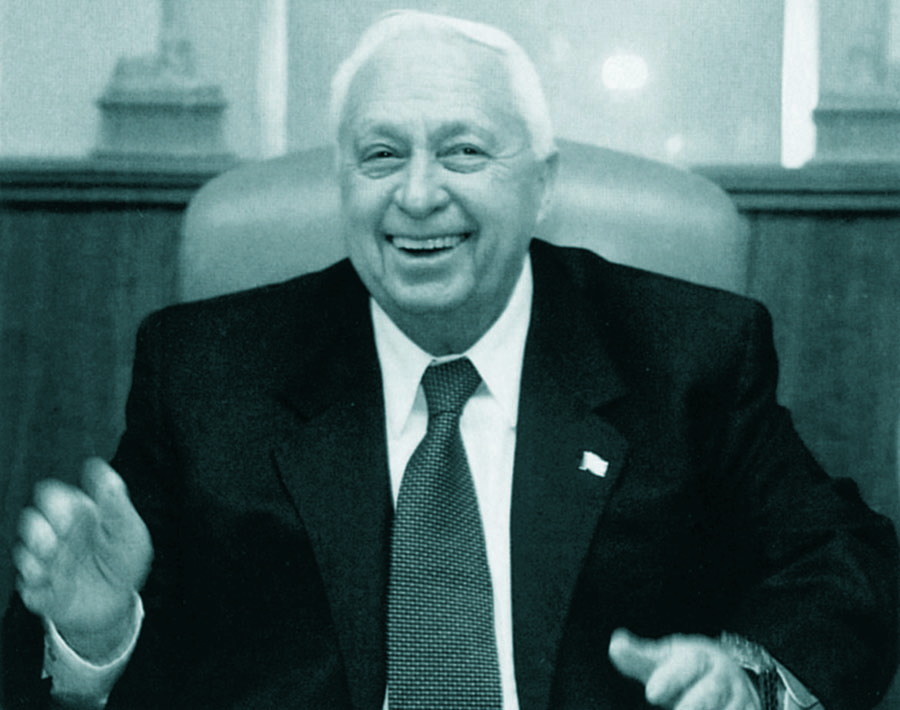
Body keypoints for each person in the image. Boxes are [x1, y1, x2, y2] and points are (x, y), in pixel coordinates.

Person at [4, 10, 898, 710]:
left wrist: (748, 678)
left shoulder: (683, 353)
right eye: (381, 155)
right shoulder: (209, 373)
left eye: (464, 151)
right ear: (342, 184)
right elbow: (77, 648)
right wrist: (98, 632)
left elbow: (847, 561)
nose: (419, 193)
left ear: (542, 183)